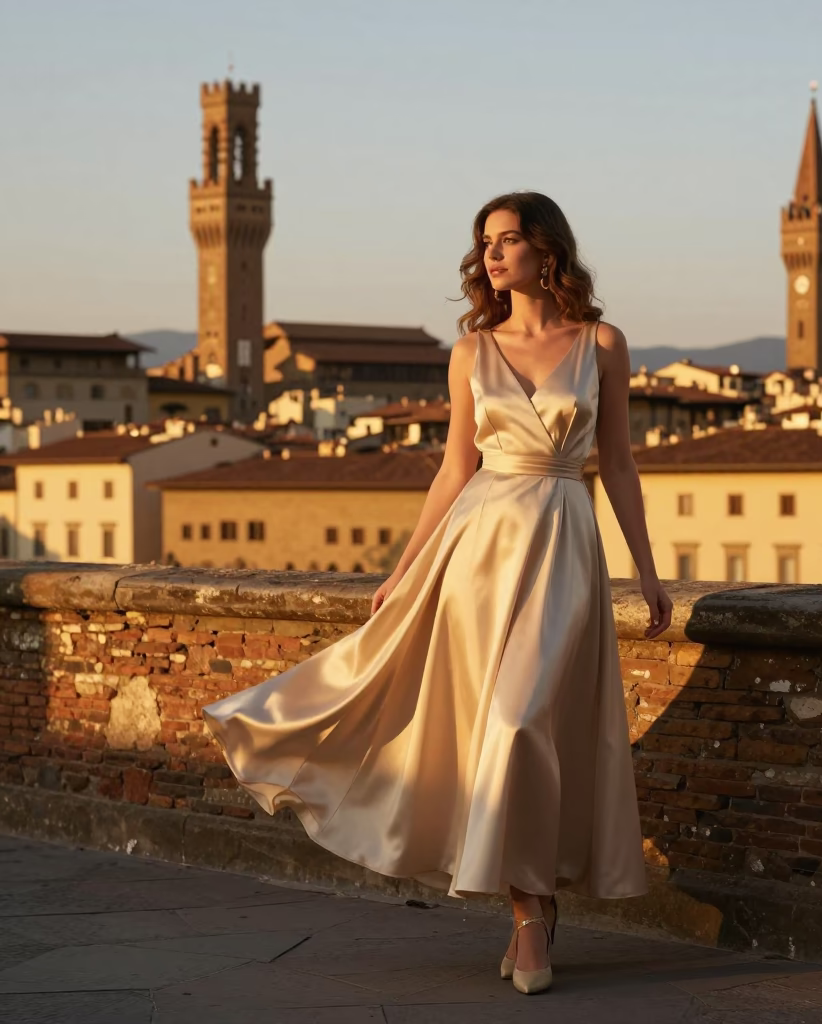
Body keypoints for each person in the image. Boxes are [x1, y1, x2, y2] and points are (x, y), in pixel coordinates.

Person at [203, 190, 673, 996]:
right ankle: (530, 913)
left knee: (527, 722)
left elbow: (620, 464)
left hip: (563, 541)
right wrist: (403, 566)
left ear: (547, 250)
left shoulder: (603, 343)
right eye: (485, 242)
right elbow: (455, 468)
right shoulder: (471, 352)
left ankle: (535, 903)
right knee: (499, 725)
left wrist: (648, 569)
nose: (493, 255)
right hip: (478, 552)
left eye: (510, 240)